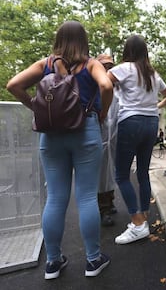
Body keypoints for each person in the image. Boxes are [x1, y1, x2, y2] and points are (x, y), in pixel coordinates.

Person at [6, 21, 113, 279]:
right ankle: (93, 260)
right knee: (86, 197)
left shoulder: (45, 65)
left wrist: (38, 109)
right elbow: (106, 86)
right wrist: (102, 113)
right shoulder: (90, 64)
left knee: (55, 198)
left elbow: (13, 85)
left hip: (51, 137)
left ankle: (53, 263)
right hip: (85, 131)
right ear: (83, 41)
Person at [107, 34, 166, 245]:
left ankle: (137, 224)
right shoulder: (153, 74)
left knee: (121, 175)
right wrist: (155, 106)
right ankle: (143, 216)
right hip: (151, 124)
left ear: (127, 51)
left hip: (131, 122)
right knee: (143, 172)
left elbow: (102, 85)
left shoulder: (123, 68)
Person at [96, 54, 118, 227]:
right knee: (101, 172)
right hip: (99, 134)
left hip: (114, 136)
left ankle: (109, 203)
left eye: (110, 66)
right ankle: (102, 208)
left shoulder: (118, 87)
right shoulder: (96, 86)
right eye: (105, 66)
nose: (108, 69)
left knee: (111, 171)